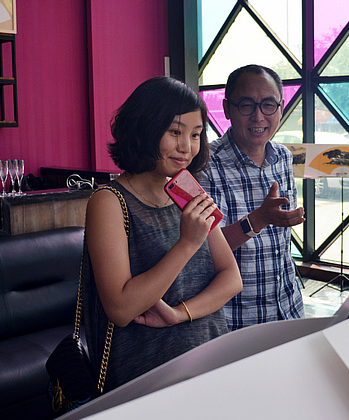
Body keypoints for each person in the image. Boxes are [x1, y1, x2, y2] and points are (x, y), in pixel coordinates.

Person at [83, 76, 242, 391]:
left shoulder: (187, 190)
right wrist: (187, 244)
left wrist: (179, 314)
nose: (187, 147)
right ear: (145, 128)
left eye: (195, 135)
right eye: (175, 132)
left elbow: (231, 279)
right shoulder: (109, 202)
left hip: (210, 359)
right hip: (148, 376)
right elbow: (121, 308)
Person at [201, 64, 306, 331]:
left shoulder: (282, 156)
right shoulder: (205, 165)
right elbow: (202, 251)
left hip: (288, 308)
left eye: (268, 105)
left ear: (281, 108)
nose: (258, 117)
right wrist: (258, 220)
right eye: (246, 105)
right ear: (227, 109)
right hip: (236, 320)